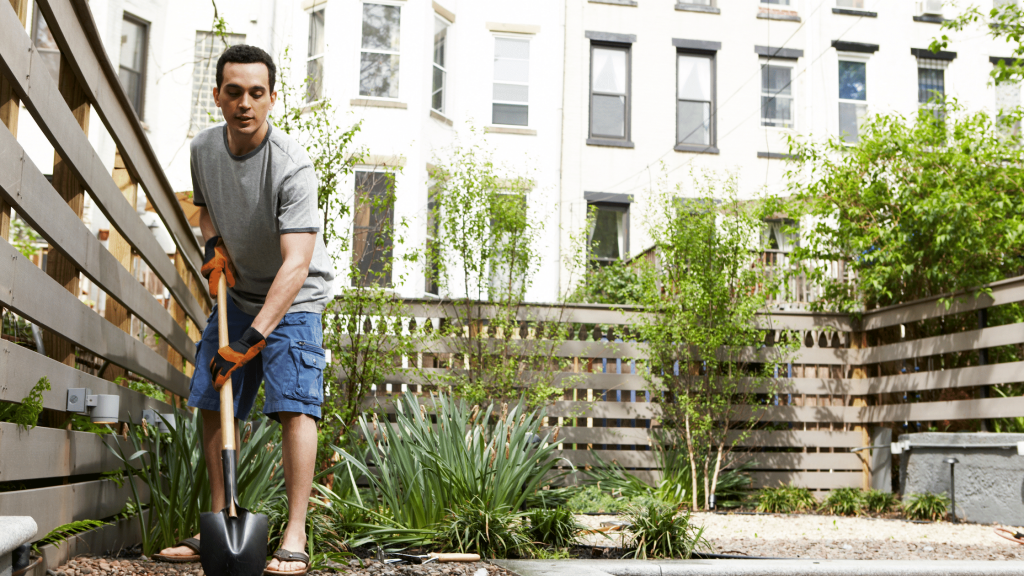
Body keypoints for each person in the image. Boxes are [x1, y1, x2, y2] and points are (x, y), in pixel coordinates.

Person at [152, 44, 333, 576]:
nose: (245, 103)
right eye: (234, 92)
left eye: (257, 93)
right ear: (217, 97)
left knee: (294, 404)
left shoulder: (292, 165)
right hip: (238, 292)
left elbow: (297, 264)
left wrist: (251, 337)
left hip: (293, 297)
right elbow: (207, 211)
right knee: (213, 395)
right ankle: (219, 518)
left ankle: (295, 533)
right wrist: (214, 249)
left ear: (272, 98)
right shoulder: (204, 149)